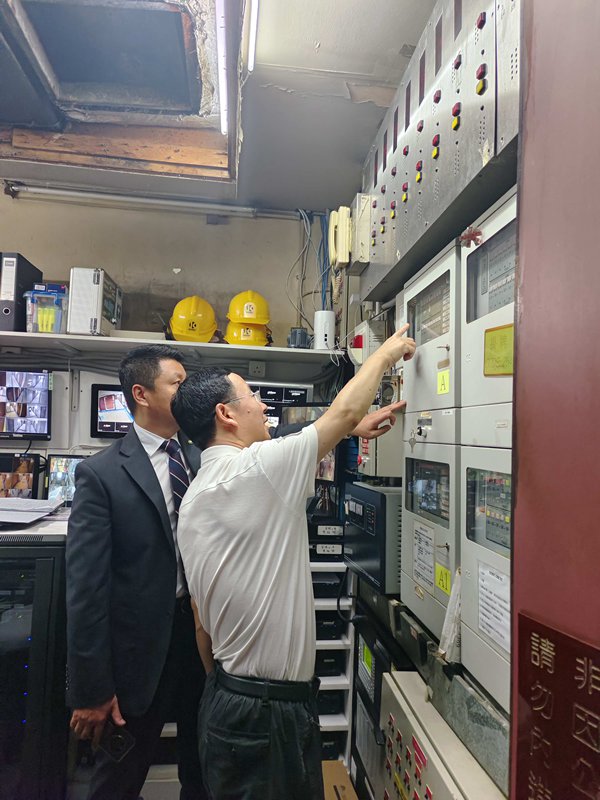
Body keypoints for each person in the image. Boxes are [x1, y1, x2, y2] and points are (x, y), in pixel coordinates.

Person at [65, 343, 404, 800]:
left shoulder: (198, 462)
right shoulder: (102, 473)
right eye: (177, 383)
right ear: (142, 394)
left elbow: (267, 437)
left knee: (203, 777)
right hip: (148, 658)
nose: (186, 390)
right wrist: (90, 689)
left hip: (211, 662)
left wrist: (344, 428)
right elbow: (85, 590)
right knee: (119, 778)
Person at [171, 324, 416, 800]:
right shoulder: (255, 471)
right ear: (226, 413)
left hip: (229, 699)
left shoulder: (201, 492)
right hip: (266, 713)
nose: (264, 404)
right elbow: (344, 411)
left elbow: (202, 620)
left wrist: (229, 689)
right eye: (252, 396)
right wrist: (387, 351)